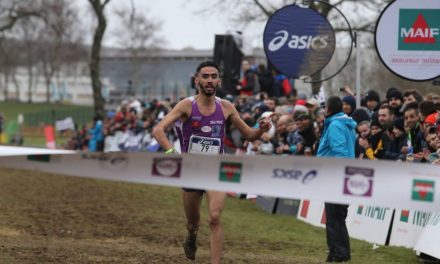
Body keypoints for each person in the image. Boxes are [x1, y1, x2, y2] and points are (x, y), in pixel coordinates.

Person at [152, 61, 272, 264]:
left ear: (218, 80)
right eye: (205, 76)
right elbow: (158, 130)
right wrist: (173, 153)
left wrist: (260, 129)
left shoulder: (226, 107)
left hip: (217, 169)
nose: (209, 80)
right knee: (193, 224)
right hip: (192, 170)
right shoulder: (186, 105)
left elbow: (249, 135)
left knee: (215, 218)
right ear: (197, 80)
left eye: (213, 76)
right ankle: (191, 237)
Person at [317, 96, 356, 263]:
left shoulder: (335, 125)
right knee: (336, 218)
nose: (324, 111)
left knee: (334, 218)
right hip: (340, 176)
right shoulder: (343, 124)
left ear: (329, 110)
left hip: (336, 176)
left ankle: (338, 254)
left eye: (325, 108)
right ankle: (336, 253)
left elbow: (340, 152)